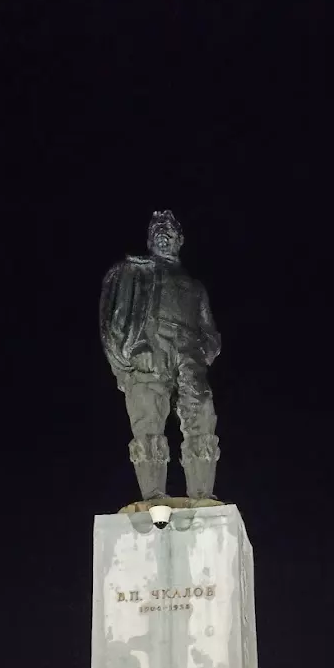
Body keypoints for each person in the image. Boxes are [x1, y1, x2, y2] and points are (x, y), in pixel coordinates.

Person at [100, 210, 221, 501]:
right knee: (148, 421)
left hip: (188, 352)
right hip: (150, 350)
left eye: (168, 232)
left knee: (201, 412)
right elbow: (113, 319)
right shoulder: (134, 272)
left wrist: (204, 350)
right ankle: (154, 496)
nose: (162, 236)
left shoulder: (194, 287)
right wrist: (130, 352)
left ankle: (202, 496)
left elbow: (211, 332)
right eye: (157, 232)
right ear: (149, 239)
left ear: (180, 239)